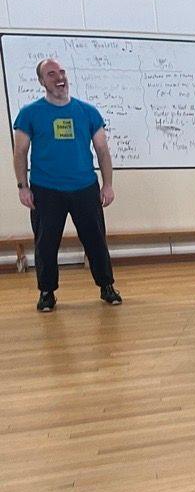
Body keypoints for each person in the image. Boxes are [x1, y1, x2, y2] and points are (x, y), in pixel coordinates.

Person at [13, 58, 121, 312]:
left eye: (61, 72)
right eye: (51, 74)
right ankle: (47, 292)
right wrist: (22, 186)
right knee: (46, 243)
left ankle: (106, 286)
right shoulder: (29, 114)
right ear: (41, 81)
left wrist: (108, 185)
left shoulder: (88, 112)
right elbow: (20, 151)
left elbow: (103, 150)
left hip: (84, 187)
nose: (59, 77)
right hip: (46, 189)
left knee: (95, 240)